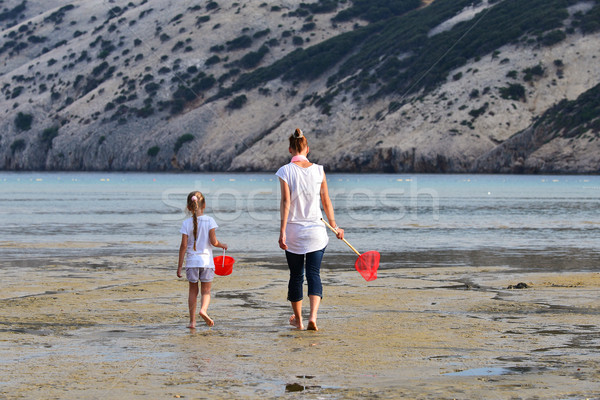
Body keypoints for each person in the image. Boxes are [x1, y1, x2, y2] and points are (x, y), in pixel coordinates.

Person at [276, 128, 344, 331]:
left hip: (294, 232)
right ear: (308, 149)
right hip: (316, 231)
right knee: (314, 274)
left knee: (296, 276)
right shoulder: (319, 170)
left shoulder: (285, 171)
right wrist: (335, 226)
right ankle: (313, 317)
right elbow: (326, 201)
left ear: (290, 149)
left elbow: (286, 202)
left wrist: (282, 231)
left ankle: (299, 320)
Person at [177, 191, 227, 328]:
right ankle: (203, 310)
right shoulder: (210, 220)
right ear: (204, 205)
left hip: (192, 263)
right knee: (206, 291)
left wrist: (179, 266)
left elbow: (183, 246)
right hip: (207, 263)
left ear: (188, 207)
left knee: (193, 291)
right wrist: (222, 245)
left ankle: (192, 322)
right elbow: (213, 242)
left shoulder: (186, 223)